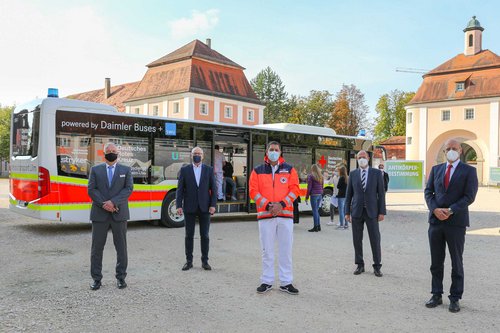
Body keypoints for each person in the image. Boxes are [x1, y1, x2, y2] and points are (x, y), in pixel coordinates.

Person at [424, 139, 478, 313]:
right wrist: (434, 209)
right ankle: (436, 294)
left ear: (460, 151)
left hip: (456, 223)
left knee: (456, 261)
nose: (451, 151)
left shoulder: (469, 171)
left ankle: (455, 298)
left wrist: (451, 210)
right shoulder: (436, 169)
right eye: (448, 149)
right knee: (436, 262)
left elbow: (469, 196)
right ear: (444, 152)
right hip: (436, 222)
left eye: (454, 148)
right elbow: (428, 192)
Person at [249, 141, 300, 295]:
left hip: (285, 215)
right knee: (267, 250)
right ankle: (267, 281)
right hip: (266, 215)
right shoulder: (257, 171)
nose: (273, 152)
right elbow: (253, 191)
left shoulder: (290, 170)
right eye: (271, 149)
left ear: (280, 152)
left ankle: (286, 282)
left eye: (276, 150)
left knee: (286, 250)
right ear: (266, 151)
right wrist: (268, 205)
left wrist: (281, 205)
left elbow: (295, 189)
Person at [87, 142, 133, 290]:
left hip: (119, 214)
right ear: (104, 153)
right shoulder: (95, 170)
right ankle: (96, 279)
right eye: (109, 151)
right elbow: (91, 190)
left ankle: (121, 278)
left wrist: (113, 202)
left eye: (114, 151)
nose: (111, 153)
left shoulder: (126, 170)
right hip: (99, 215)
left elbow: (128, 189)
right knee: (96, 249)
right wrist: (104, 204)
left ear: (118, 153)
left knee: (121, 248)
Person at [345, 150, 386, 277]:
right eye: (359, 157)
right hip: (357, 211)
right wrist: (347, 212)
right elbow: (349, 194)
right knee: (357, 239)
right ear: (357, 159)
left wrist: (382, 211)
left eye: (363, 157)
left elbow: (381, 193)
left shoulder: (377, 173)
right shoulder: (353, 174)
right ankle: (360, 265)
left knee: (375, 239)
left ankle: (377, 266)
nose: (361, 159)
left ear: (368, 158)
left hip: (372, 212)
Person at [176, 147, 217, 271]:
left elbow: (214, 189)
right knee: (189, 235)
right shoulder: (184, 170)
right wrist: (178, 205)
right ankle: (189, 261)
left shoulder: (209, 170)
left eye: (199, 154)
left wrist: (213, 205)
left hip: (205, 207)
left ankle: (205, 261)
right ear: (191, 155)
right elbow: (180, 189)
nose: (197, 155)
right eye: (195, 154)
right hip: (189, 207)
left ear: (203, 156)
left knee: (205, 235)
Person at [305, 164, 324, 232]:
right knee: (317, 210)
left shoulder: (311, 176)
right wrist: (321, 193)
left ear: (312, 169)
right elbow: (322, 186)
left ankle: (315, 227)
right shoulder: (321, 176)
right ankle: (318, 226)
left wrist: (307, 196)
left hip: (314, 195)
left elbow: (309, 187)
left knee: (315, 211)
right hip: (320, 194)